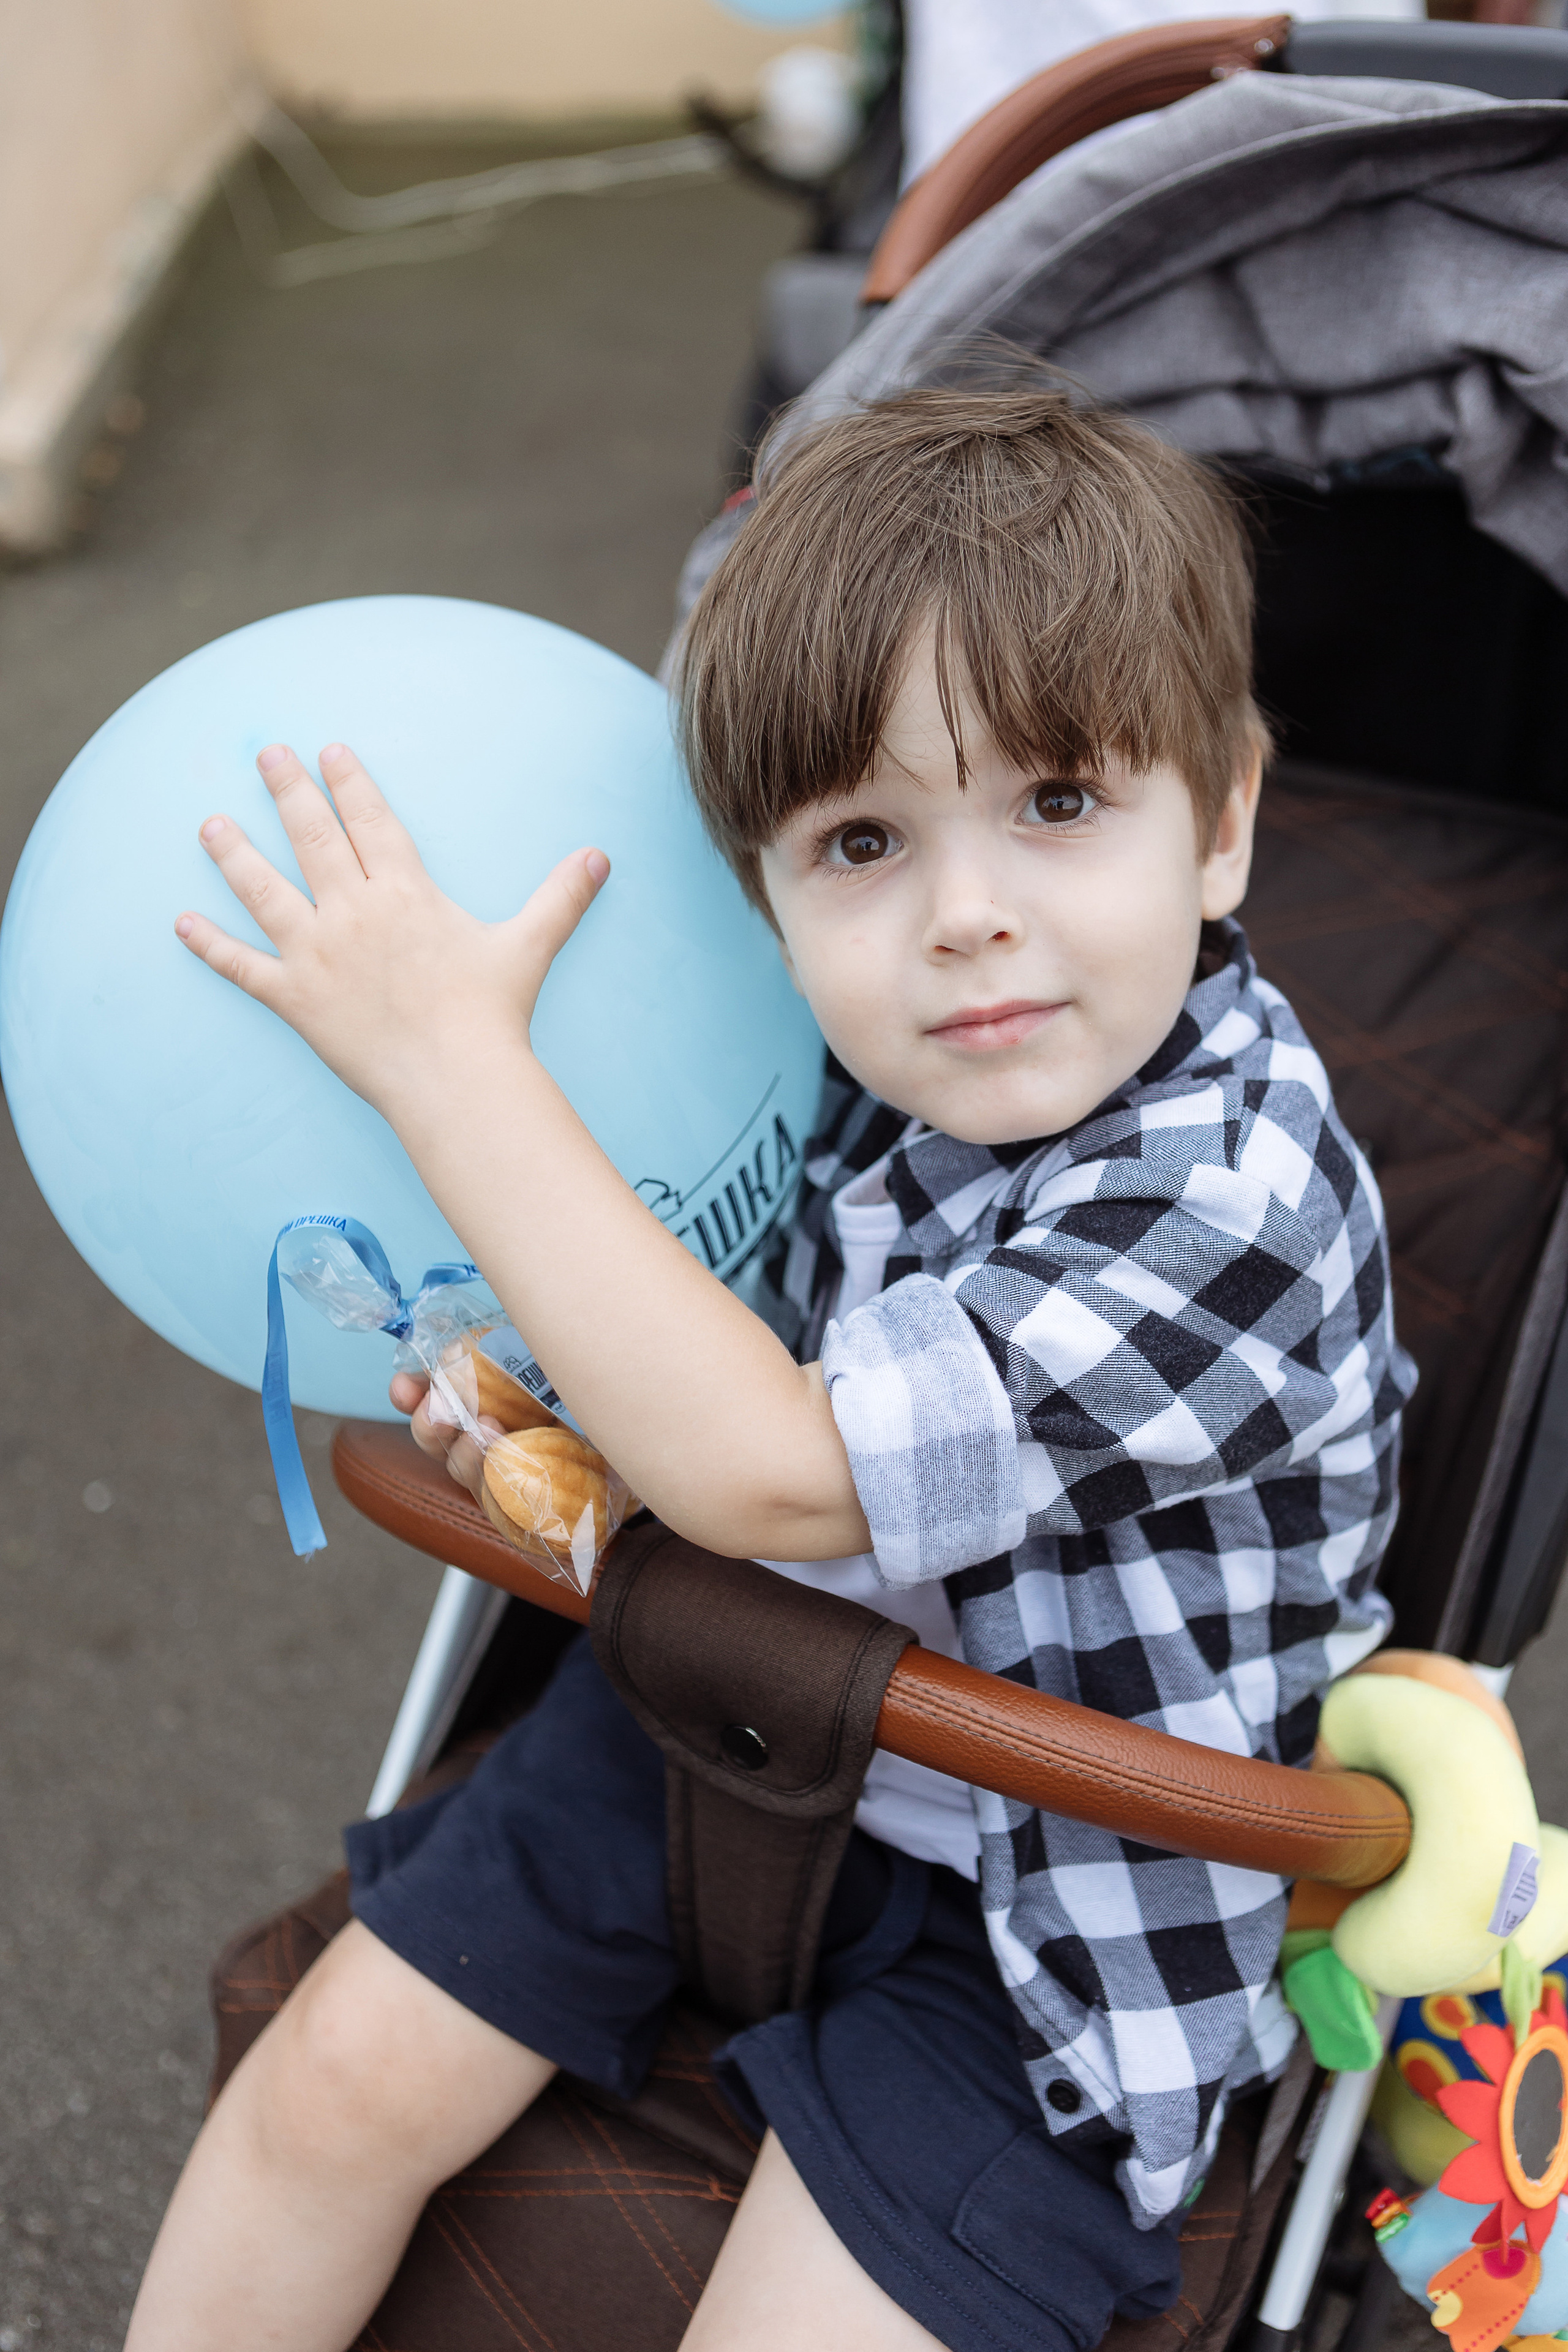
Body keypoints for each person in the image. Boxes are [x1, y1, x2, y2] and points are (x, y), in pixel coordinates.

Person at [127, 380, 1413, 2352]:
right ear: (766, 898)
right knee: (326, 2095)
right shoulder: (810, 1071)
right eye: (863, 841)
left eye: (1059, 804)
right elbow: (678, 1386)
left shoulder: (1235, 1200)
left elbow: (781, 1472)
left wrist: (446, 1057)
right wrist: (534, 1401)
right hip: (730, 1719)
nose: (968, 914)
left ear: (1224, 818)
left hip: (1054, 1905)